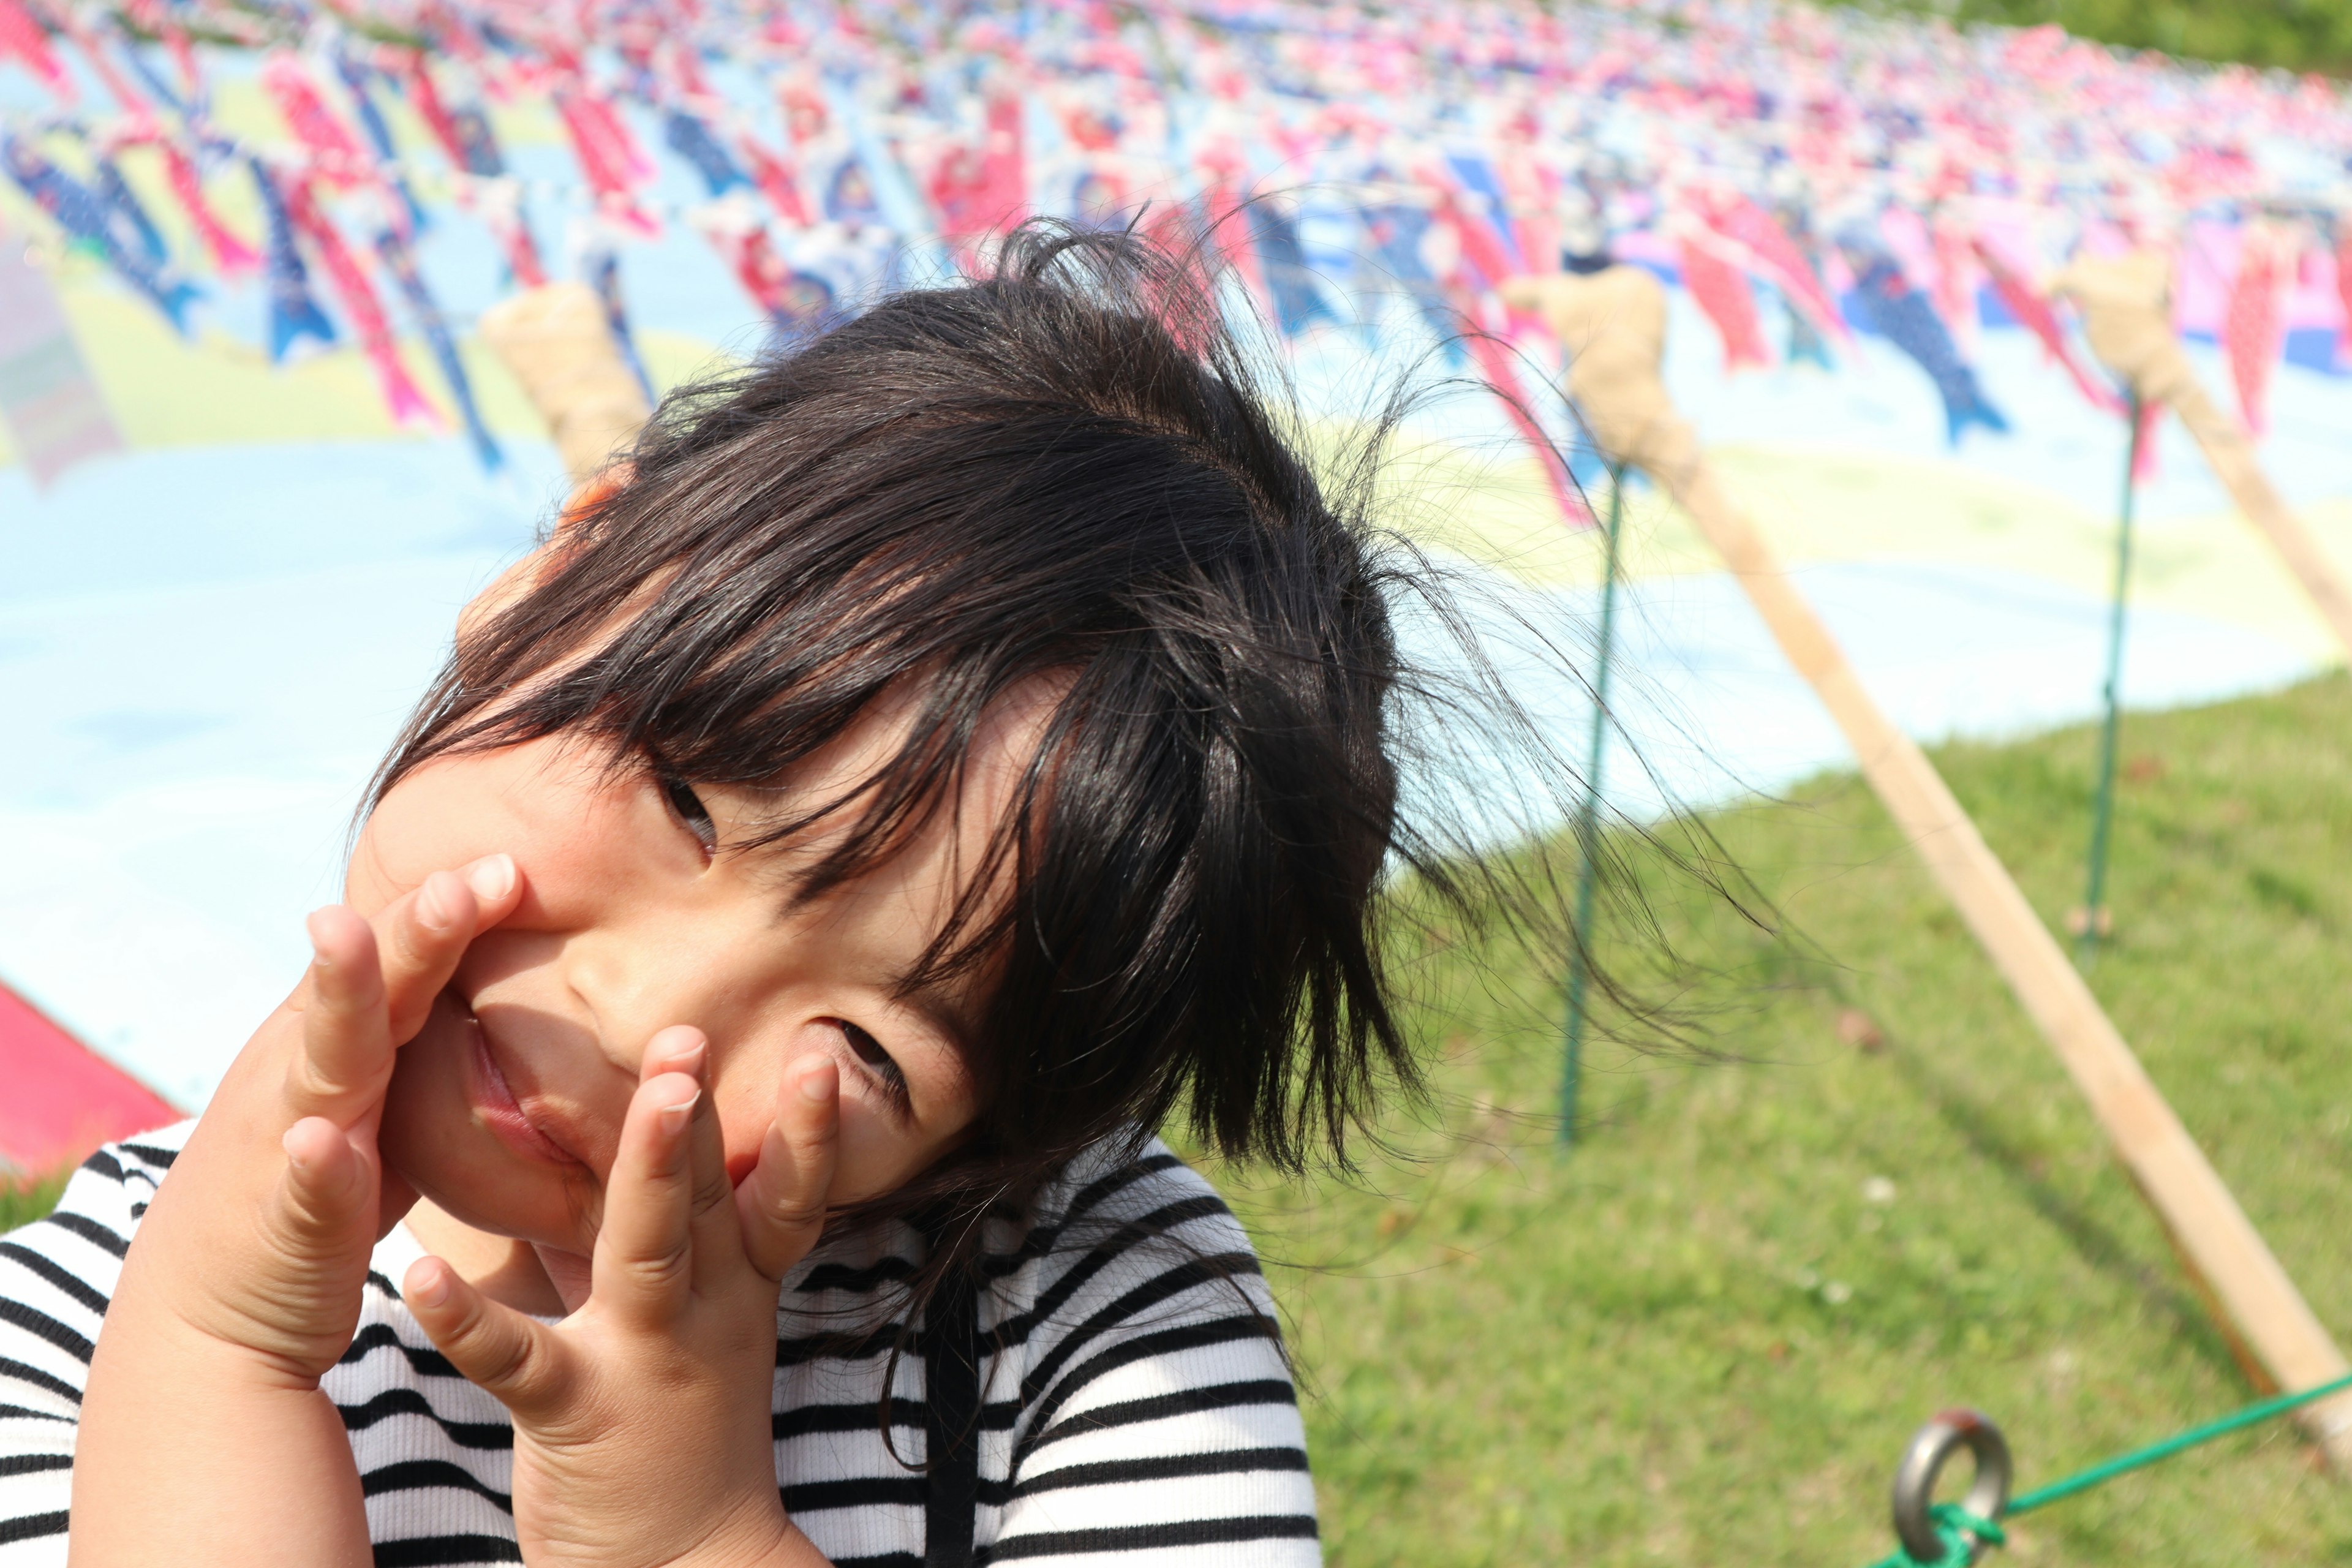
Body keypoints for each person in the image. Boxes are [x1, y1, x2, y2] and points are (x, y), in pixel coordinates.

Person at [0, 223, 1554, 1567]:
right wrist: (212, 1356)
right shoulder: (74, 1316)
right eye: (688, 794)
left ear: (1004, 1134)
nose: (652, 1021)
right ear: (554, 584)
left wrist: (685, 1532)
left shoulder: (1081, 1314)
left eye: (868, 1049)